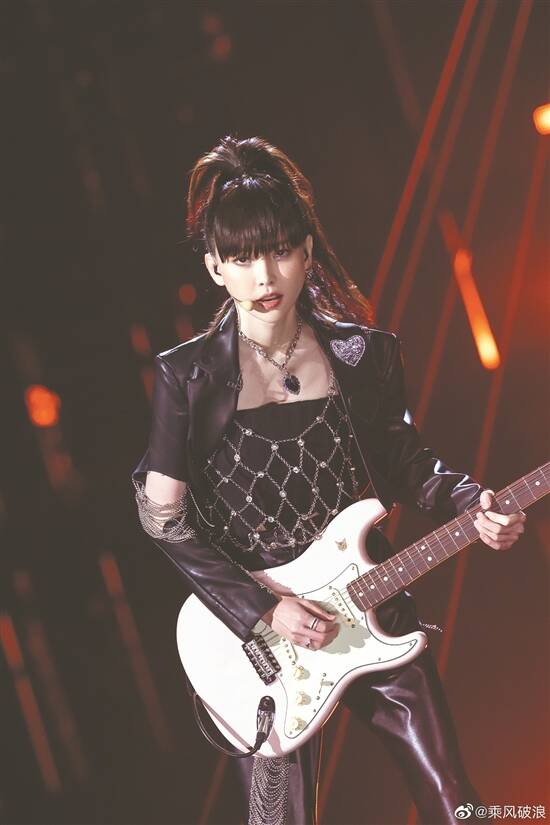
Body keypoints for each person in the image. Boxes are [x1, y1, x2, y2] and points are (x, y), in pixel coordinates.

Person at [131, 134, 526, 825]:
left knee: (457, 803)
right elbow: (163, 518)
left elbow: (408, 462)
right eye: (242, 258)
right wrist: (261, 610)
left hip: (373, 601)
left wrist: (474, 502)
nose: (264, 275)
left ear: (308, 251)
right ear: (215, 266)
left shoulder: (363, 355)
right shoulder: (187, 377)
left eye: (280, 250)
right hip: (261, 645)